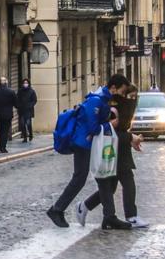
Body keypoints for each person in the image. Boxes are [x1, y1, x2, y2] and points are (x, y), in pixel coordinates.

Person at [46, 74, 132, 230]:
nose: (122, 95)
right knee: (80, 178)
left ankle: (109, 217)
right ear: (113, 88)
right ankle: (56, 209)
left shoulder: (102, 100)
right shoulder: (96, 100)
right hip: (83, 144)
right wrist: (107, 126)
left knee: (104, 178)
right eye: (121, 91)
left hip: (92, 144)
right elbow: (92, 126)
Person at [77, 83, 147, 228]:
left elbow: (120, 130)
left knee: (112, 187)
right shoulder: (113, 109)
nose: (133, 100)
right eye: (130, 96)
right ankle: (130, 216)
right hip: (111, 150)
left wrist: (131, 139)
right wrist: (130, 138)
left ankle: (85, 206)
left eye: (135, 97)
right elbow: (109, 132)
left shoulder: (118, 106)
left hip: (119, 150)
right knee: (126, 181)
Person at [0, 78, 18, 153]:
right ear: (6, 83)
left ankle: (0, 145)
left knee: (0, 130)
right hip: (8, 113)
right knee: (5, 130)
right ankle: (3, 147)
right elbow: (15, 102)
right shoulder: (11, 92)